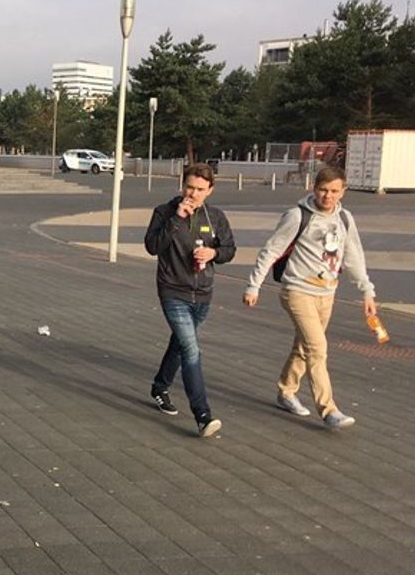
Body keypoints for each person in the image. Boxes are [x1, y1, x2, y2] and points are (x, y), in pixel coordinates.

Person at [243, 166, 375, 429]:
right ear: (313, 188)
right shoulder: (297, 215)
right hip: (297, 290)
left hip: (327, 292)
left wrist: (367, 291)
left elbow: (353, 256)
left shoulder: (345, 219)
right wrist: (253, 286)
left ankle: (286, 391)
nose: (328, 196)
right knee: (318, 348)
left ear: (343, 191)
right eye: (323, 190)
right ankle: (329, 410)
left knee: (304, 347)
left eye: (334, 191)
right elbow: (271, 251)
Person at [143, 163, 236, 437]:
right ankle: (203, 414)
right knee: (191, 350)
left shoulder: (215, 217)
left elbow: (229, 248)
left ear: (210, 191)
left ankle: (160, 386)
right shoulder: (164, 212)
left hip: (203, 292)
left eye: (199, 189)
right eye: (189, 187)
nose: (193, 194)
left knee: (181, 343)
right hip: (173, 290)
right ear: (182, 185)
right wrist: (176, 220)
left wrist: (213, 254)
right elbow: (152, 246)